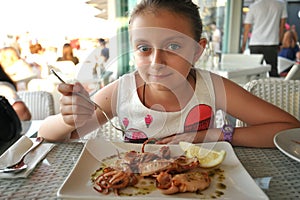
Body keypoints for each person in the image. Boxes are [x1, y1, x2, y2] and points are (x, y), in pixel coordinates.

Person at [38, 0, 300, 148]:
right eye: (143, 48)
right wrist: (68, 119)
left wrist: (213, 134)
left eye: (174, 46)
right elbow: (48, 134)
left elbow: (290, 129)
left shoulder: (213, 88)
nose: (157, 61)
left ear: (198, 51)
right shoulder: (121, 92)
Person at [241, 0, 288, 77]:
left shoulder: (254, 6)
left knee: (255, 73)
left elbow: (247, 27)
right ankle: (274, 89)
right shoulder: (281, 4)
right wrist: (280, 42)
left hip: (255, 43)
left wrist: (243, 45)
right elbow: (282, 26)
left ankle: (255, 89)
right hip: (272, 43)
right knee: (273, 72)